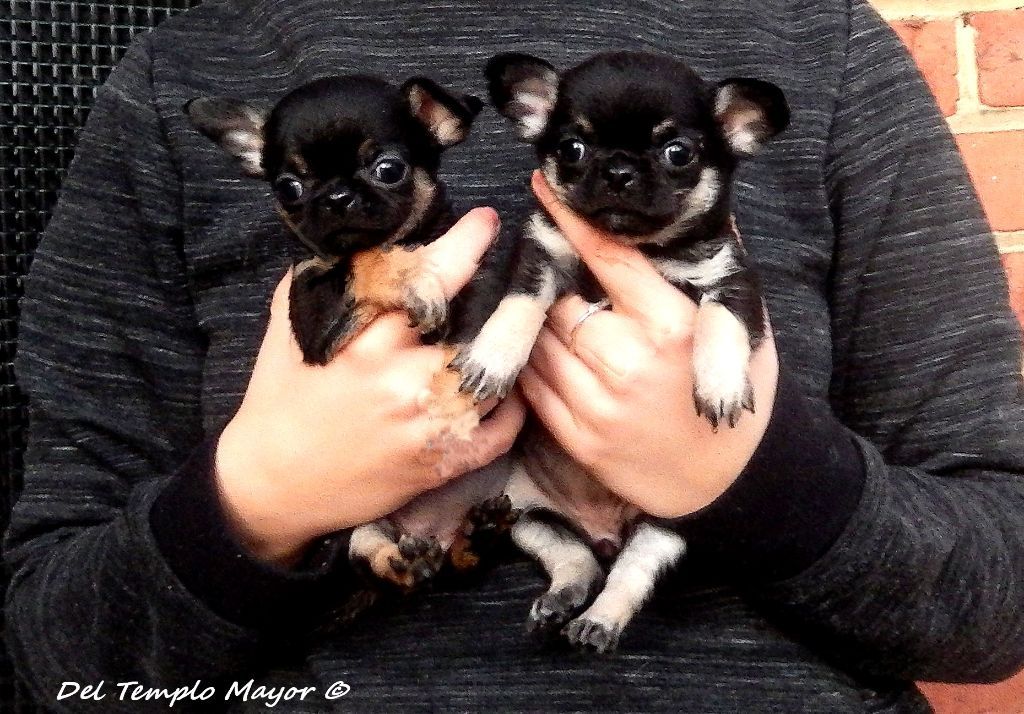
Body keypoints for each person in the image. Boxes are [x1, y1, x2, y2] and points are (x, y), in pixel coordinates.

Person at [6, 0, 1024, 711]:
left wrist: (760, 477)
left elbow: (1000, 595)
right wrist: (263, 496)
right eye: (576, 154)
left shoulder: (824, 45)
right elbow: (56, 657)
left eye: (668, 158)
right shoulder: (184, 71)